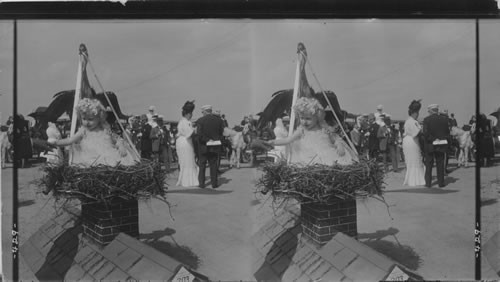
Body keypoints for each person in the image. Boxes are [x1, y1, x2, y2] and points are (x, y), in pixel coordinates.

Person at [266, 97, 358, 166]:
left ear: (317, 117)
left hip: (327, 156)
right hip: (308, 159)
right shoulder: (301, 130)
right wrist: (273, 142)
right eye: (302, 118)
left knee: (333, 164)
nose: (304, 122)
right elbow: (288, 140)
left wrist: (339, 145)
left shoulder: (323, 128)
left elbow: (335, 138)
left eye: (308, 119)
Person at [49, 98, 138, 167]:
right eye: (84, 119)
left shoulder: (104, 129)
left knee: (115, 163)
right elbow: (70, 140)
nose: (87, 122)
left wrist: (120, 146)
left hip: (108, 158)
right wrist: (57, 143)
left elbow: (117, 139)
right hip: (89, 160)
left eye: (90, 119)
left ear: (99, 118)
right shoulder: (83, 131)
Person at [196, 105, 225, 188]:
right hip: (215, 146)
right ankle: (214, 184)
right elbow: (221, 134)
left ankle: (201, 184)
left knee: (202, 165)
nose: (202, 113)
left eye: (202, 112)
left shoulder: (200, 120)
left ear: (205, 111)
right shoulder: (219, 121)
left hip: (203, 146)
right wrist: (215, 140)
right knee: (213, 165)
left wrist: (207, 140)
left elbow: (199, 134)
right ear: (210, 111)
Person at [423, 104, 450, 188]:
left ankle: (428, 183)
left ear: (431, 111)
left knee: (429, 164)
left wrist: (434, 139)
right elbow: (447, 133)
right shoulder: (444, 119)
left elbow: (426, 133)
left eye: (428, 111)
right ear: (437, 110)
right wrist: (441, 139)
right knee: (440, 164)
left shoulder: (427, 120)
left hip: (430, 144)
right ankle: (441, 183)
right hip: (441, 144)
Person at [175, 101, 199, 187]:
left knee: (185, 161)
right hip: (185, 143)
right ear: (188, 114)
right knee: (188, 160)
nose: (192, 115)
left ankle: (185, 179)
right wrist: (196, 130)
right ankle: (188, 181)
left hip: (182, 142)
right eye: (191, 113)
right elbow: (189, 134)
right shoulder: (186, 122)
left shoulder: (182, 121)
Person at [402, 100, 426, 186]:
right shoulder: (413, 122)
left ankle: (411, 179)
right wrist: (422, 130)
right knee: (415, 159)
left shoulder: (407, 121)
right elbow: (416, 133)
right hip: (412, 141)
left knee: (411, 160)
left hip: (407, 141)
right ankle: (416, 180)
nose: (418, 114)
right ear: (415, 113)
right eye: (418, 112)